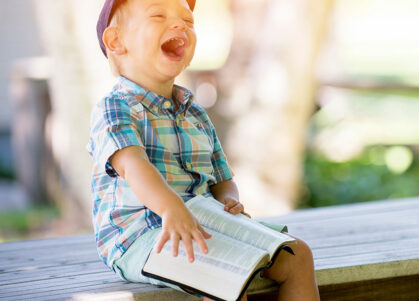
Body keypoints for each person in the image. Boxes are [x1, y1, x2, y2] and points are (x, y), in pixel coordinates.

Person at [87, 0, 320, 300]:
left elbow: (222, 176)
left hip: (205, 221)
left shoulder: (194, 112)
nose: (179, 24)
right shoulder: (115, 107)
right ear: (116, 41)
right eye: (158, 15)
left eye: (187, 19)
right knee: (229, 273)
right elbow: (133, 166)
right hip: (141, 236)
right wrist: (172, 208)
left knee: (298, 255)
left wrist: (229, 200)